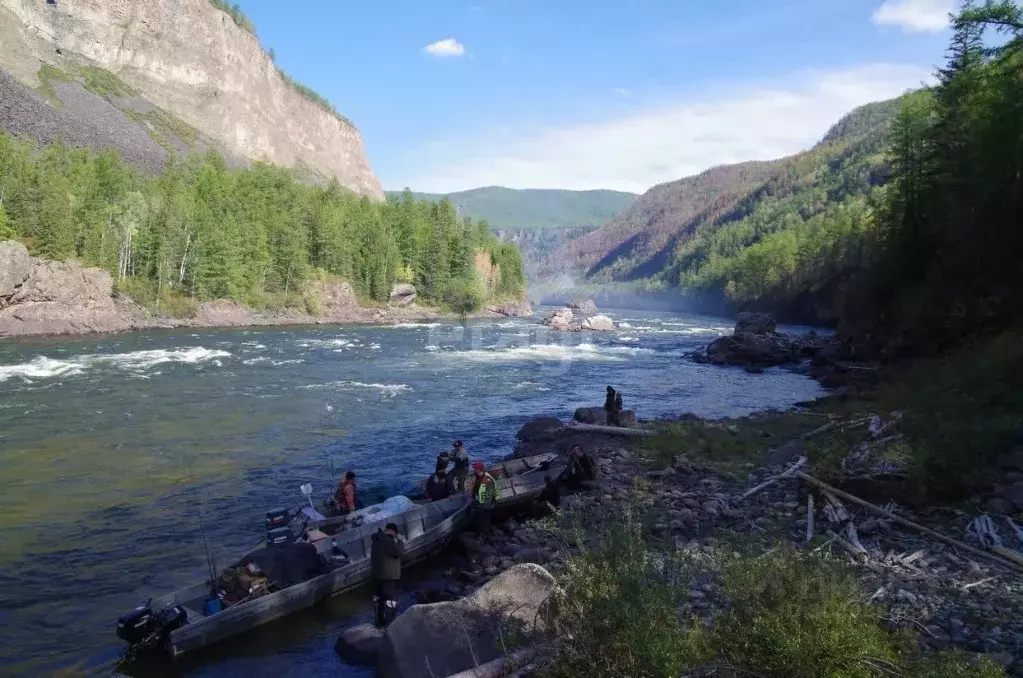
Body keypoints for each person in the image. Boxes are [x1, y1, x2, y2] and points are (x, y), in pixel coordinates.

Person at [370, 522, 404, 627]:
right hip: (388, 576)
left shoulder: (377, 539)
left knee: (379, 599)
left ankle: (378, 622)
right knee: (390, 601)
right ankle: (390, 624)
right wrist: (399, 541)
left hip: (377, 576)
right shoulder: (387, 540)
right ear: (393, 531)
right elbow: (398, 552)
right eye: (395, 534)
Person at [469, 461, 500, 539]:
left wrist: (480, 505)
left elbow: (489, 496)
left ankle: (488, 537)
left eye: (475, 469)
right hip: (482, 502)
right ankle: (480, 534)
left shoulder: (487, 480)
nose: (473, 470)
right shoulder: (478, 477)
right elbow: (476, 488)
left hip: (488, 504)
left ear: (479, 470)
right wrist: (472, 497)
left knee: (485, 520)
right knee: (479, 518)